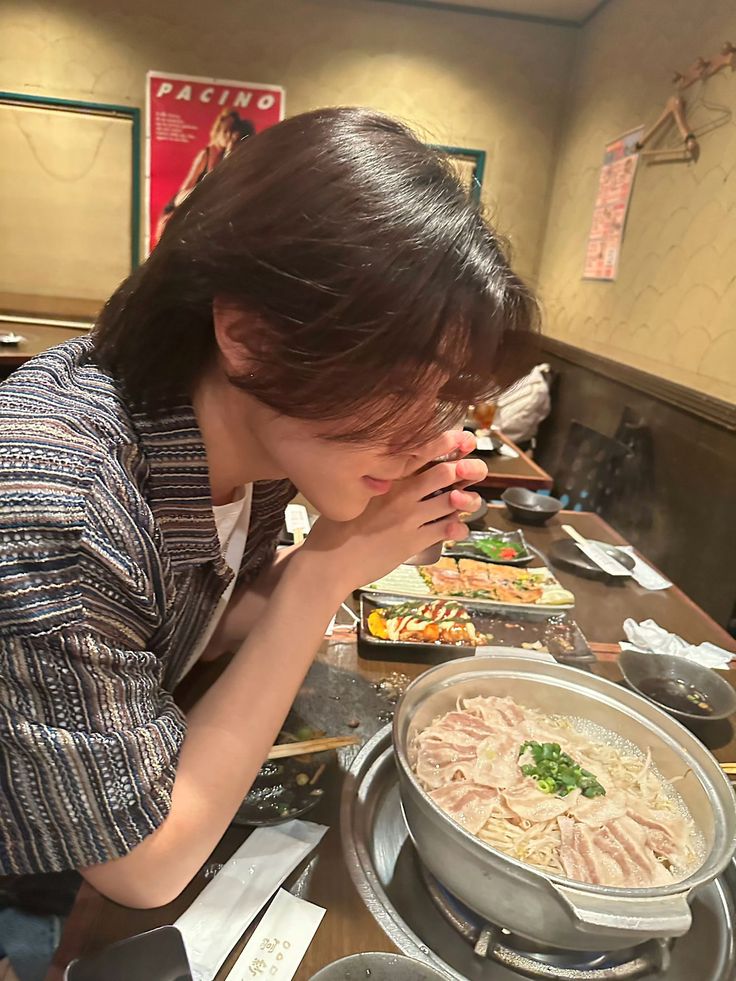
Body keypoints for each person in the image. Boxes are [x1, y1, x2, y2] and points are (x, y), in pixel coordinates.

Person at [0, 106, 537, 978]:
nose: (424, 436)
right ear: (247, 333)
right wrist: (326, 568)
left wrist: (343, 550)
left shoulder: (244, 432)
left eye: (445, 397)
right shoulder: (64, 508)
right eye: (398, 383)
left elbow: (196, 617)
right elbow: (145, 861)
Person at [154, 108, 255, 244]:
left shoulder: (230, 156)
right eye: (225, 132)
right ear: (218, 131)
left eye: (231, 132)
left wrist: (229, 154)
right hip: (185, 202)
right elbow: (183, 193)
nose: (227, 136)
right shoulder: (206, 154)